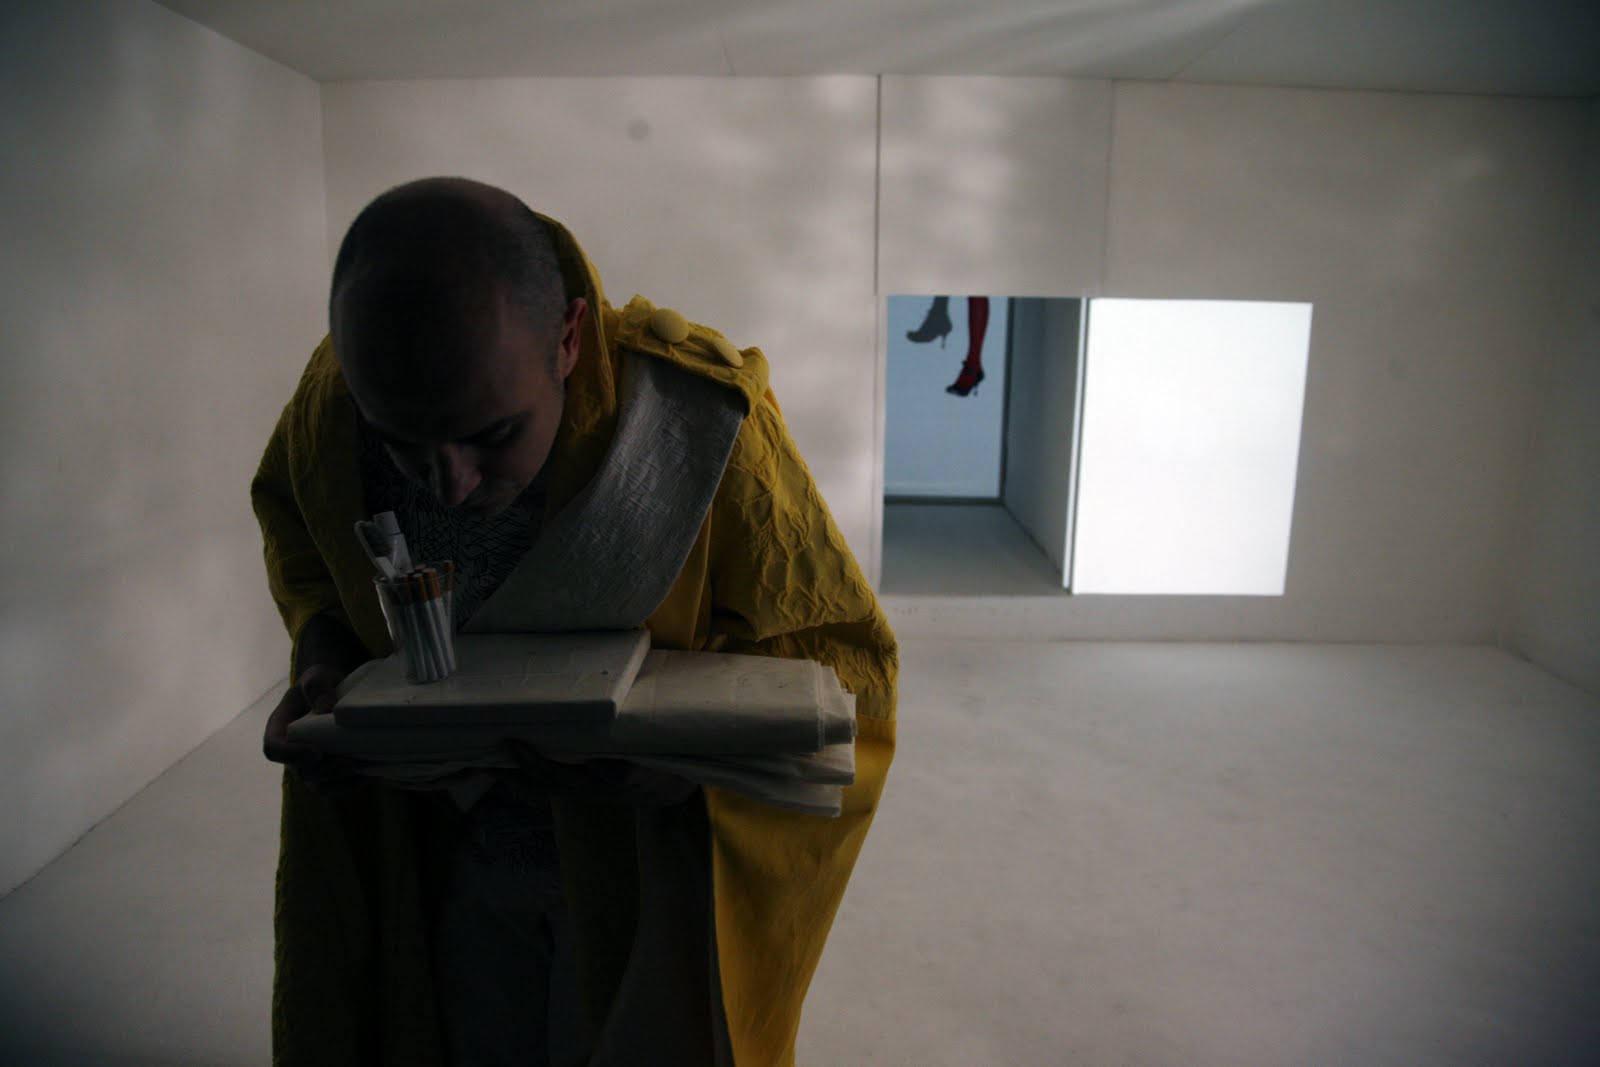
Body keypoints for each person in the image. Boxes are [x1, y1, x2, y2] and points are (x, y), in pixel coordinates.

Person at [252, 177, 898, 1066]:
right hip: (437, 854)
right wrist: (323, 659)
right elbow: (300, 534)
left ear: (568, 339)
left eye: (493, 435)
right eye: (402, 445)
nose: (450, 484)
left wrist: (685, 770)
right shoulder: (332, 408)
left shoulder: (693, 420)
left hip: (637, 871)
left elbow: (843, 659)